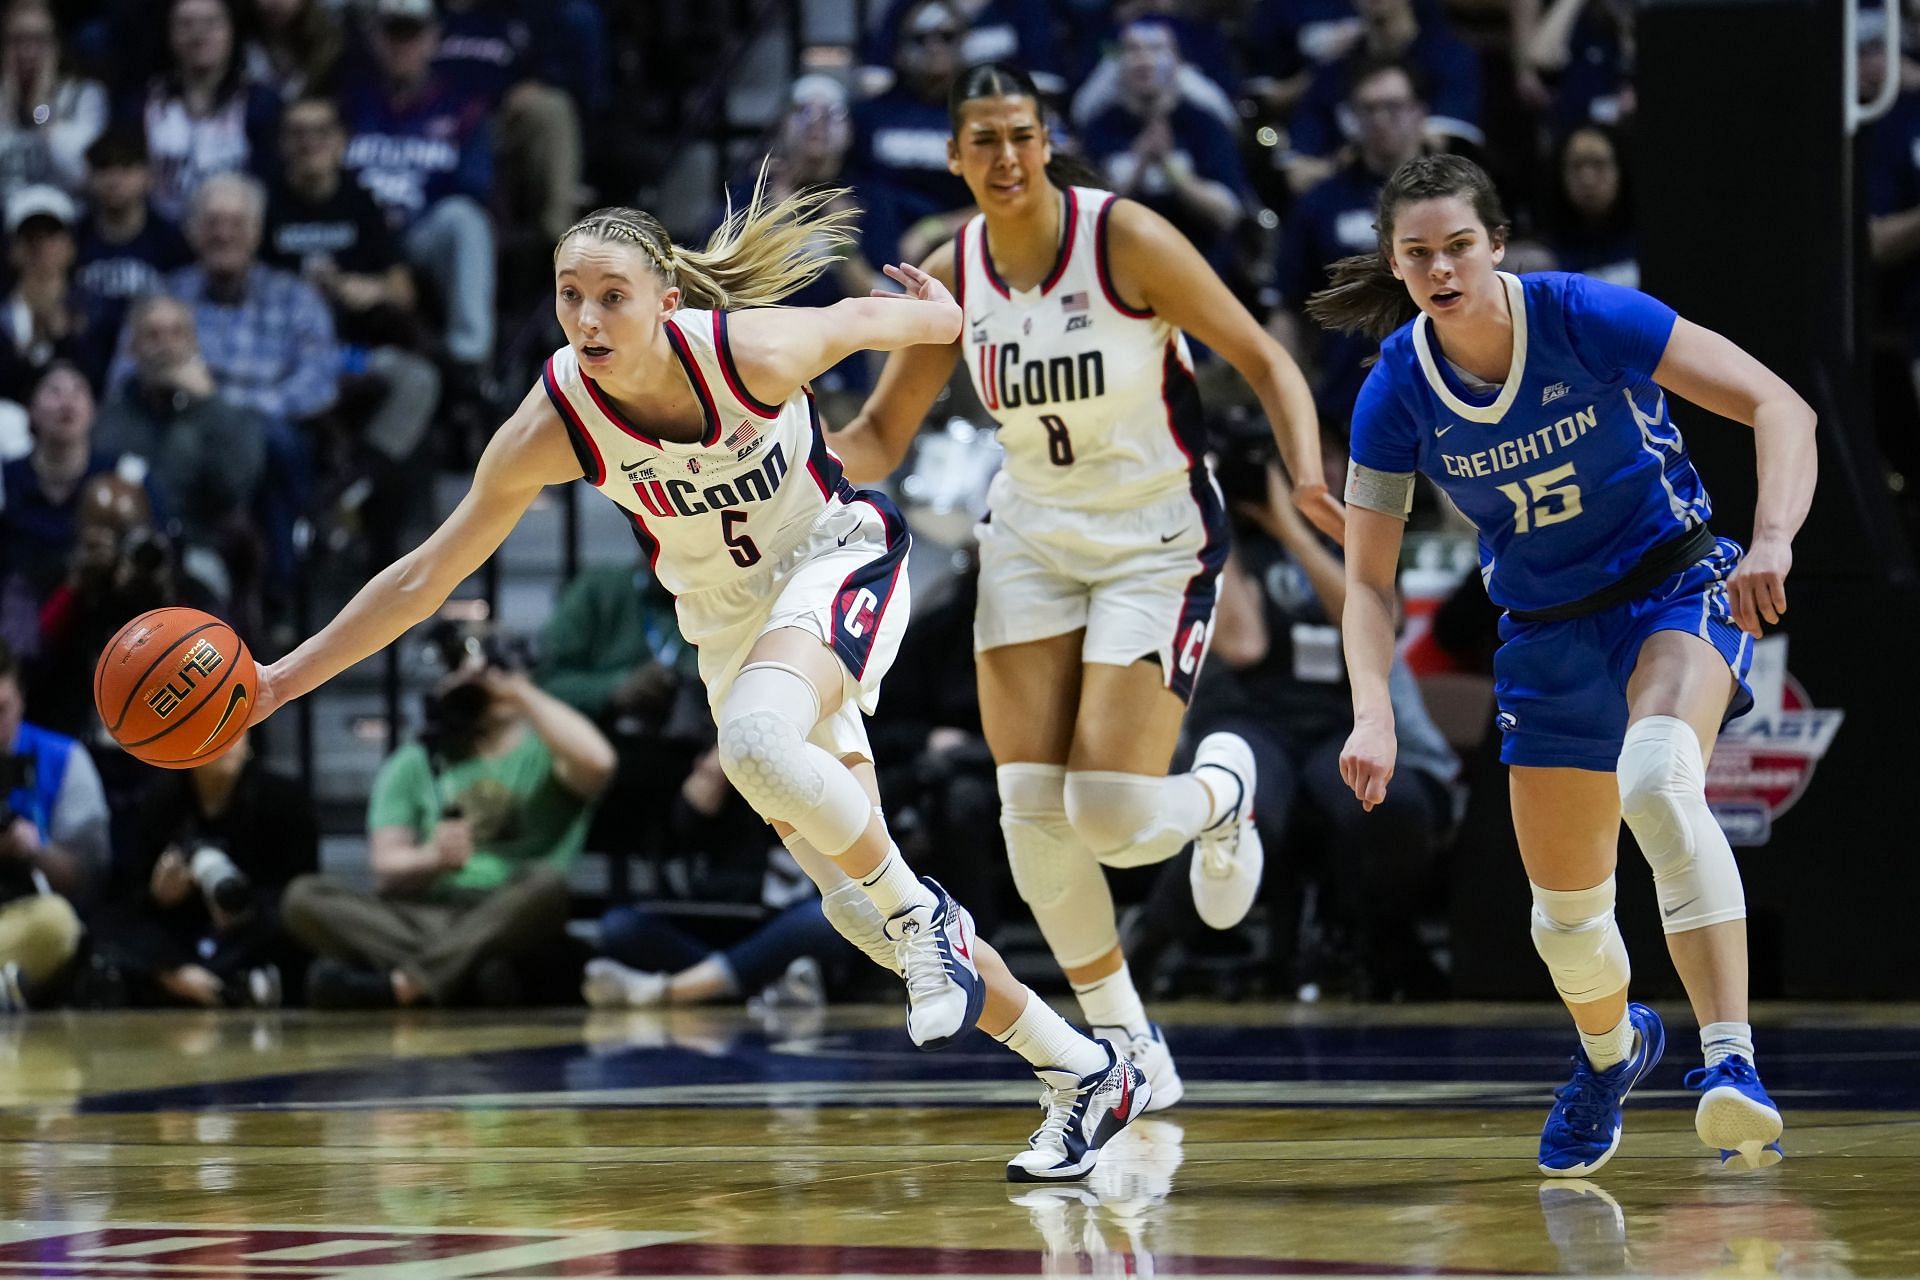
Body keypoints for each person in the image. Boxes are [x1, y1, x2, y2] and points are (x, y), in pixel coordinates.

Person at [242, 174, 1151, 1181]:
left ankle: (924, 916)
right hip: (729, 629)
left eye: (612, 296)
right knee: (853, 902)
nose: (587, 317)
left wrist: (936, 311)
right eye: (569, 294)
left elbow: (873, 316)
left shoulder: (750, 351)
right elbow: (426, 574)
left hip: (835, 555)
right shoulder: (556, 418)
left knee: (767, 757)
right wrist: (284, 676)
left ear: (667, 301)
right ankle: (1082, 1069)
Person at [831, 63, 1343, 1114]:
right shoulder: (951, 269)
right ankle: (1126, 1044)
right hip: (1030, 535)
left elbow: (1260, 353)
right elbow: (881, 436)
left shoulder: (1123, 238)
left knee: (1104, 812)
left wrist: (1303, 472)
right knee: (1029, 813)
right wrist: (768, 459)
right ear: (954, 155)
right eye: (983, 140)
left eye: (1021, 133)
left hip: (1155, 533)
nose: (1006, 156)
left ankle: (1221, 794)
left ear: (1046, 135)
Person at [1308, 153, 1811, 1174]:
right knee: (1568, 920)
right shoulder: (1396, 391)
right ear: (1397, 266)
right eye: (1418, 255)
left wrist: (1771, 538)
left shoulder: (1584, 315)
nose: (1442, 268)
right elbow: (1366, 582)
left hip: (1669, 585)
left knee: (1657, 783)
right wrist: (1374, 708)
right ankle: (1611, 1050)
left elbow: (1779, 405)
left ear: (1497, 244)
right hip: (1543, 631)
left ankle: (1731, 1062)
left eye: (1458, 246)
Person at [281, 631, 612, 1009]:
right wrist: (431, 858)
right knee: (304, 897)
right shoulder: (416, 759)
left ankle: (406, 983)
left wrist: (518, 691)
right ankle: (462, 975)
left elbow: (599, 763)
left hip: (508, 912)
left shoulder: (550, 750)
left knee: (546, 885)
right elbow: (386, 866)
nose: (485, 687)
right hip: (426, 913)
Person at [91, 729, 314, 1008]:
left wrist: (245, 909)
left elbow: (301, 891)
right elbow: (123, 900)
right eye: (215, 728)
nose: (229, 741)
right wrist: (157, 896)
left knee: (297, 922)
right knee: (106, 935)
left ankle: (220, 983)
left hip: (255, 934)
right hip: (182, 937)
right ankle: (186, 980)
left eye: (237, 728)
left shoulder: (283, 798)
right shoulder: (159, 801)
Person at [0, 636, 107, 1011]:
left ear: (21, 699)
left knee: (59, 924)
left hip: (24, 914)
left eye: (1, 710)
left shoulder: (65, 759)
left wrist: (35, 850)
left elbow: (91, 873)